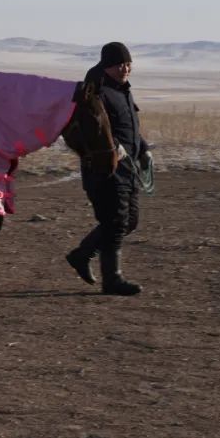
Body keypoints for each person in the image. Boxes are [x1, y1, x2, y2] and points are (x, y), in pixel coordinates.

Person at [66, 41, 150, 295]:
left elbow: (128, 125)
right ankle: (112, 279)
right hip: (105, 168)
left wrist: (143, 148)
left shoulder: (122, 90)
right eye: (119, 64)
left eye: (128, 64)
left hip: (129, 167)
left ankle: (82, 254)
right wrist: (113, 146)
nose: (125, 69)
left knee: (129, 221)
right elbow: (91, 130)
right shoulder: (95, 92)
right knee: (115, 221)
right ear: (107, 65)